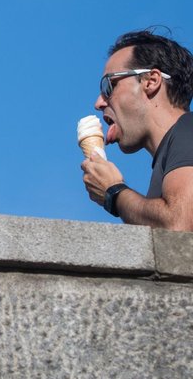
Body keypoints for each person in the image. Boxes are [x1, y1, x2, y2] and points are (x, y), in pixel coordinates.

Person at [81, 29, 193, 230]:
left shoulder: (189, 128)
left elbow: (179, 226)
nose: (99, 102)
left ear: (151, 82)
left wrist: (114, 192)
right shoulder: (169, 156)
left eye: (109, 86)